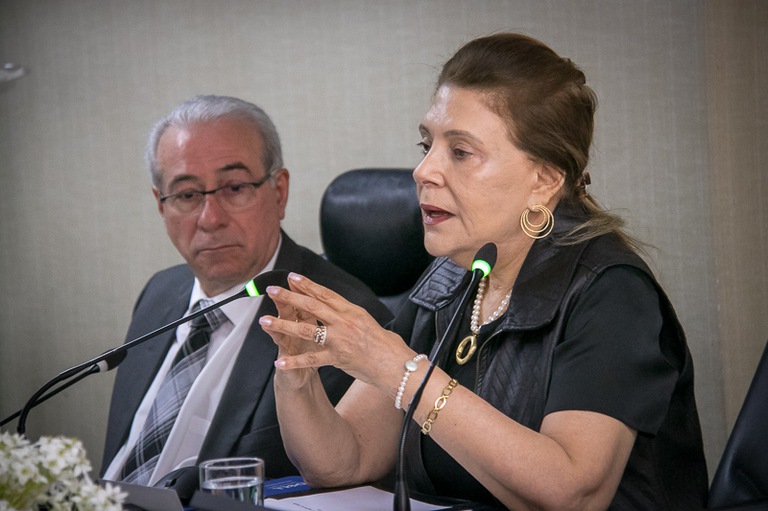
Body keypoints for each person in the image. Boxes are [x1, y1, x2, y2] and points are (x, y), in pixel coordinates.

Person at [259, 34, 709, 510]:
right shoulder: (448, 280)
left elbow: (573, 494)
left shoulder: (611, 292)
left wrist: (398, 368)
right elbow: (342, 462)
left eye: (460, 152)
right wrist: (297, 372)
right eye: (426, 144)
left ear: (544, 180)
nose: (423, 171)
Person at [99, 95, 392, 487]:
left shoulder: (341, 322)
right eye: (186, 195)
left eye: (234, 188)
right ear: (160, 204)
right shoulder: (159, 293)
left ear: (279, 192)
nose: (210, 219)